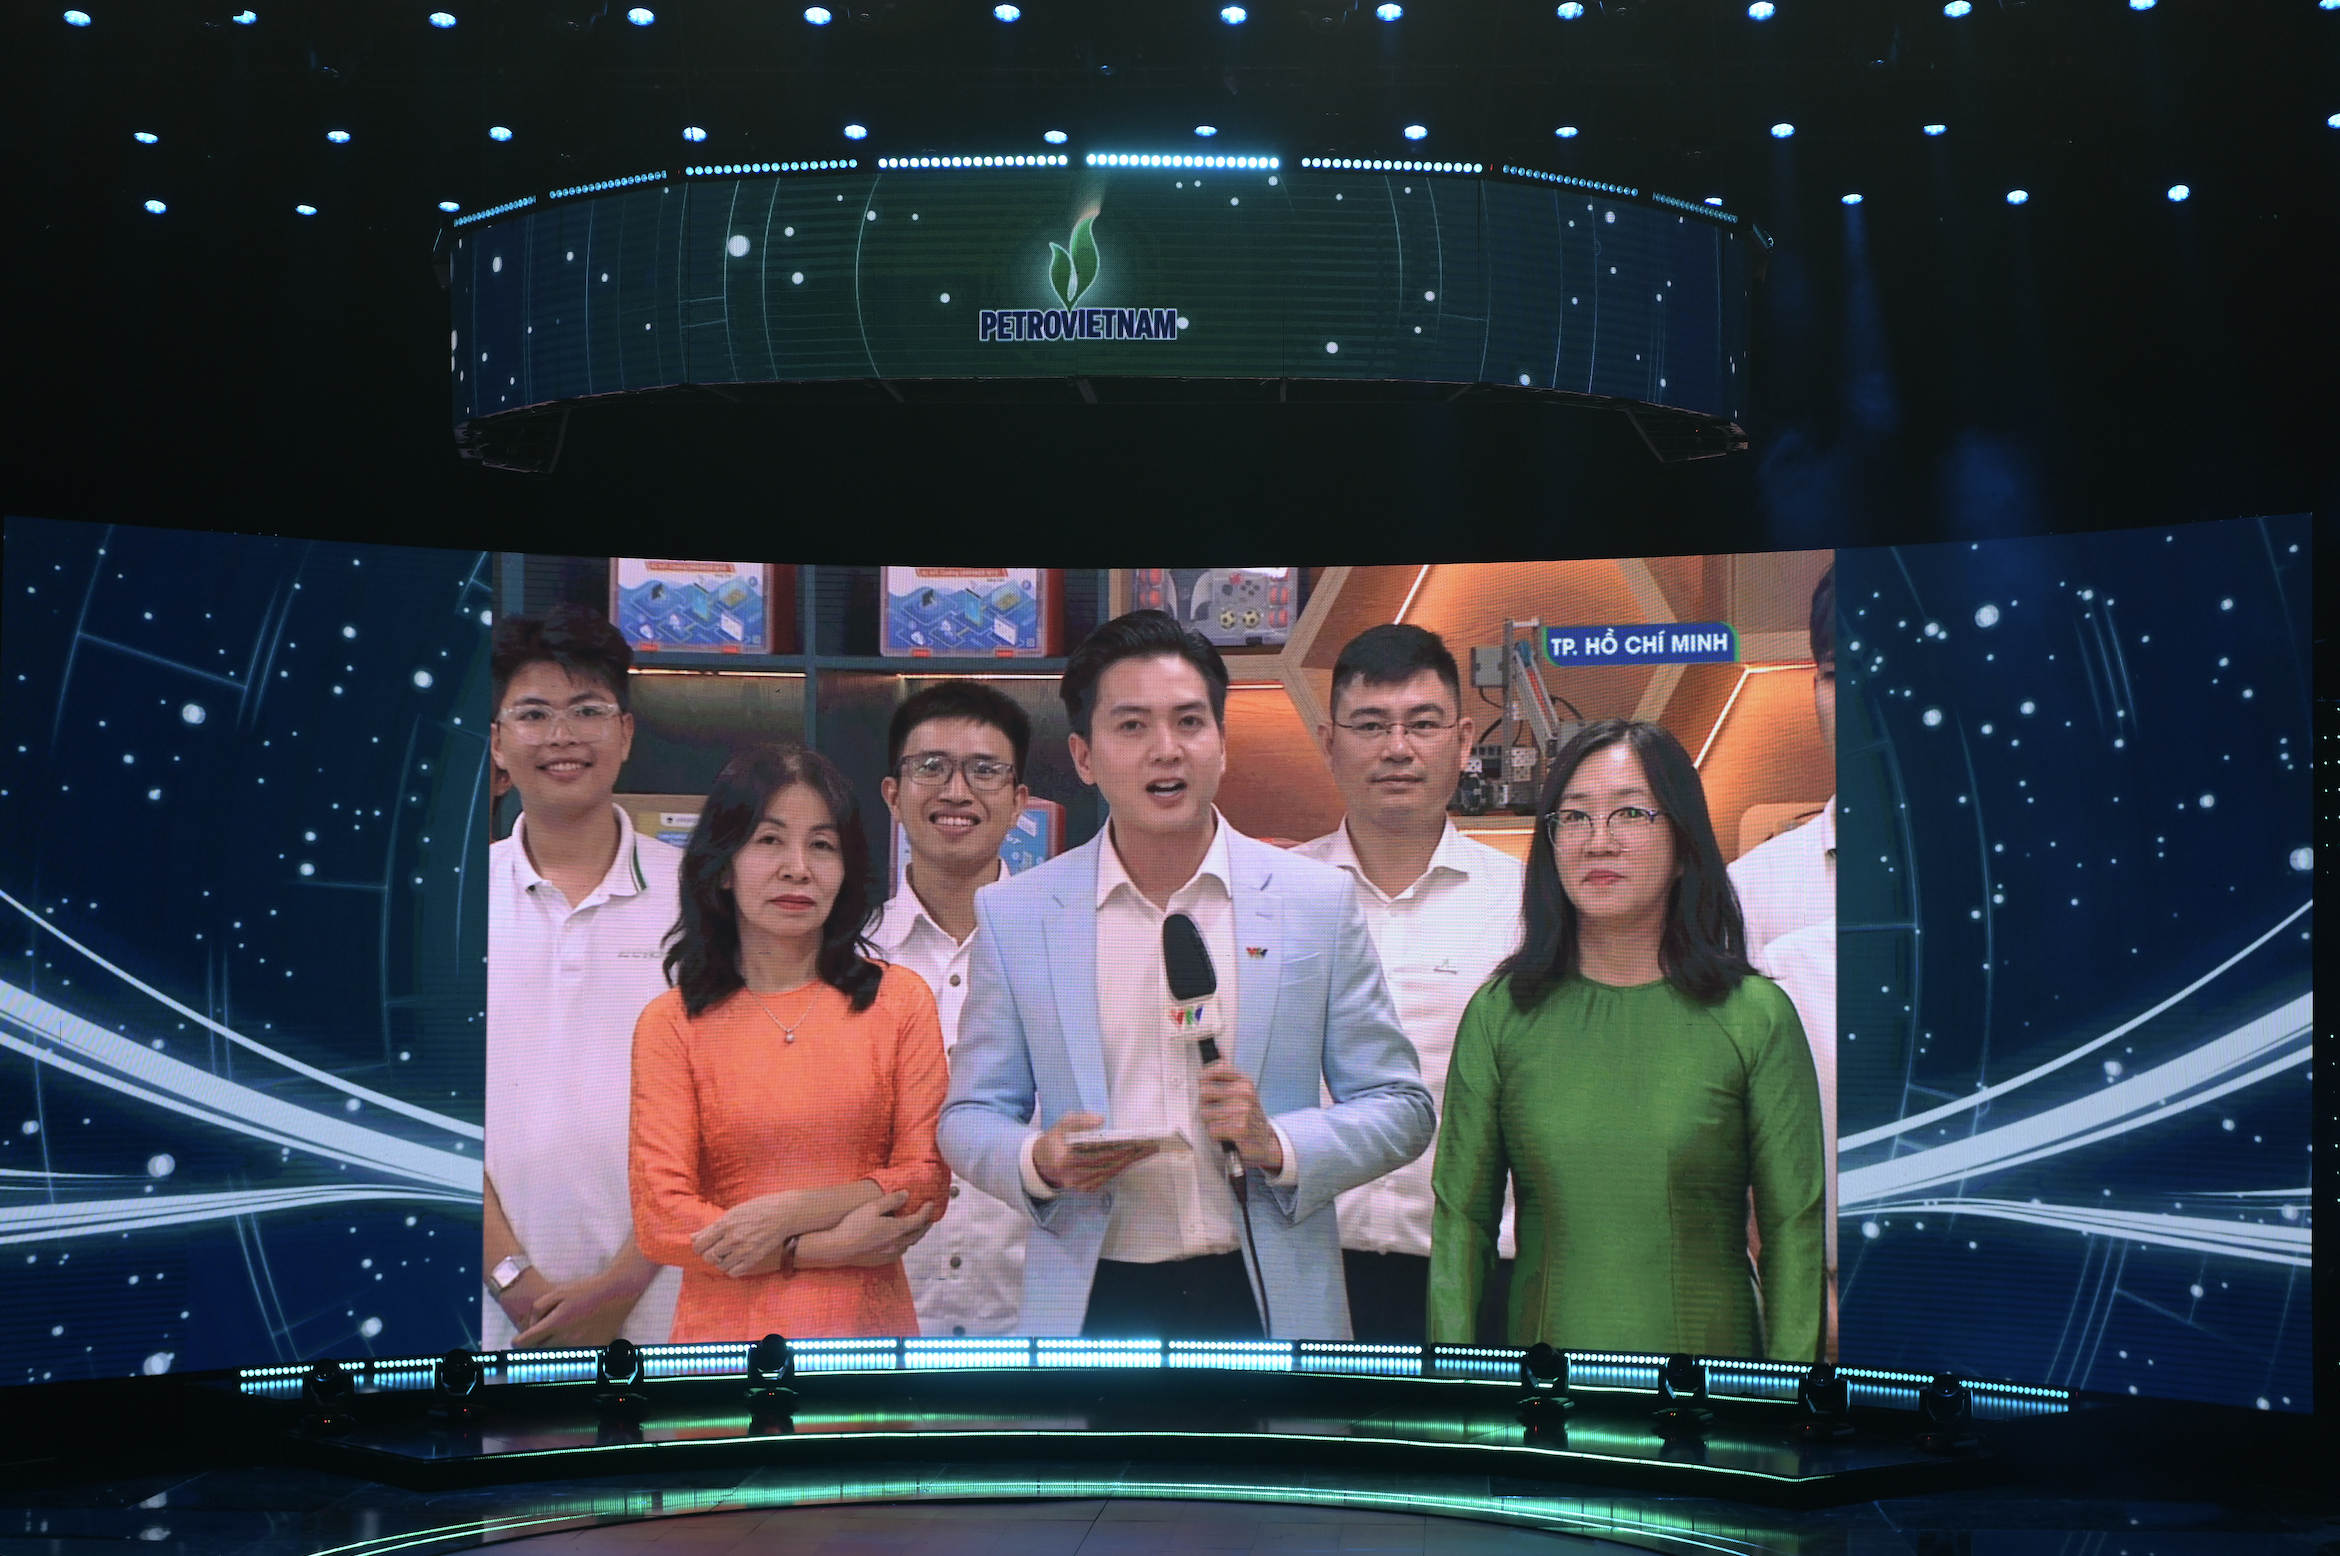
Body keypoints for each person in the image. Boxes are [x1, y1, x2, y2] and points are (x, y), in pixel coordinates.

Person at [939, 610, 1436, 1340]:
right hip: (1093, 1299)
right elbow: (968, 1117)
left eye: (1189, 722)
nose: (1165, 750)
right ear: (1084, 756)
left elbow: (1402, 1106)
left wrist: (1279, 1144)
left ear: (1222, 744)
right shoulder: (1019, 915)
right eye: (1132, 726)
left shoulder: (1314, 901)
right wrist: (1035, 1160)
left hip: (1267, 1297)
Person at [1428, 718, 1826, 1361]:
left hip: (1712, 1391)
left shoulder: (1757, 1017)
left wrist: (1787, 1401)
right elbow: (1460, 1226)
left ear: (1684, 844)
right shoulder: (1501, 1014)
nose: (1599, 842)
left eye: (1631, 814)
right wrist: (1452, 1393)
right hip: (1545, 1390)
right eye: (1574, 817)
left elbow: (1793, 1233)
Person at [629, 744, 950, 1340]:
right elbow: (662, 1218)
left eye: (822, 846)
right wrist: (815, 1249)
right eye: (769, 840)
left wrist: (790, 1211)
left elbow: (925, 1178)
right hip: (724, 1346)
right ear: (724, 865)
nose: (797, 868)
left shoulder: (900, 1000)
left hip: (865, 1340)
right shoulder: (671, 1023)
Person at [1293, 624, 1525, 1343]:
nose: (1397, 748)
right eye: (1370, 725)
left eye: (1423, 725)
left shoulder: (1526, 905)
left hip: (1480, 1274)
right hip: (1303, 1265)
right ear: (1329, 742)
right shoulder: (1275, 898)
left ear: (1463, 741)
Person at [483, 603, 683, 1350]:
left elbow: (726, 1109)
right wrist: (512, 1280)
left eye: (588, 711)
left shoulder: (700, 898)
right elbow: (421, 1111)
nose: (562, 736)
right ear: (497, 743)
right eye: (534, 714)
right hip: (491, 1313)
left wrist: (620, 1285)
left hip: (663, 1306)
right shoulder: (448, 901)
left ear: (625, 734)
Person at [870, 680, 1038, 1336]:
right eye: (931, 767)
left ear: (1019, 802)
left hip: (1030, 1323)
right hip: (878, 1320)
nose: (956, 791)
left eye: (985, 770)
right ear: (893, 795)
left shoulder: (1069, 954)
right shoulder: (844, 963)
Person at [1728, 562, 1840, 1355]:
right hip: (1809, 1309)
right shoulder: (1752, 889)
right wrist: (1806, 1306)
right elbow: (1723, 1130)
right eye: (1836, 676)